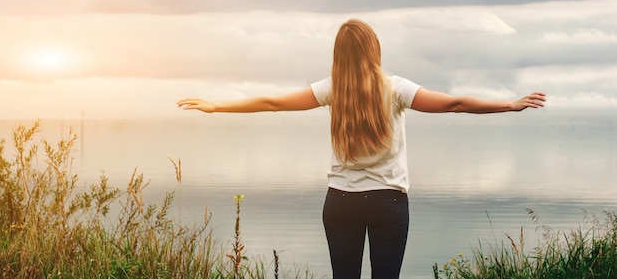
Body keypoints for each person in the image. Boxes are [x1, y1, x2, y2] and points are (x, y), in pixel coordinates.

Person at [177, 18, 546, 279]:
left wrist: (216, 105)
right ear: (374, 50)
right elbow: (455, 104)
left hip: (341, 202)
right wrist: (509, 104)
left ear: (339, 53)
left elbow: (272, 103)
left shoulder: (331, 88)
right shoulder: (396, 88)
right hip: (388, 203)